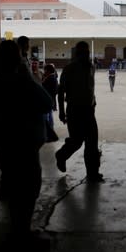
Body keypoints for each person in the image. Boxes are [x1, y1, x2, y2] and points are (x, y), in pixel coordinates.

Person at [0, 40, 53, 252]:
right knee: (27, 190)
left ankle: (16, 232)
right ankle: (22, 236)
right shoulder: (21, 80)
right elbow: (46, 102)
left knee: (13, 189)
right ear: (17, 58)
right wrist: (29, 77)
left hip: (5, 144)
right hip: (24, 145)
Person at [54, 41, 104, 182]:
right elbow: (61, 91)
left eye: (87, 52)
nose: (86, 54)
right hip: (75, 110)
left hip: (89, 111)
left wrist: (93, 102)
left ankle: (92, 173)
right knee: (76, 141)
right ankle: (61, 155)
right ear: (77, 53)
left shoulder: (91, 67)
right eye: (83, 52)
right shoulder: (69, 69)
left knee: (92, 143)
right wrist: (61, 112)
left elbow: (89, 88)